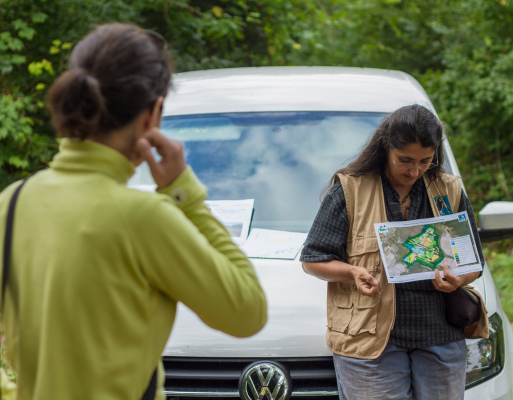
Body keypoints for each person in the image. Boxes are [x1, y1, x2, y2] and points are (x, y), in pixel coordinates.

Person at [0, 23, 267, 400]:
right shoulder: (144, 216)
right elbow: (247, 312)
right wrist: (183, 193)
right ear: (152, 114)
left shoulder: (11, 202)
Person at [301, 104, 485, 400]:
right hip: (369, 338)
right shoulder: (350, 190)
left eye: (425, 161)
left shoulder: (449, 190)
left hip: (440, 337)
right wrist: (353, 272)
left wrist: (459, 281)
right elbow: (312, 259)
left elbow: (474, 262)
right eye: (405, 160)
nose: (414, 171)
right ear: (386, 146)